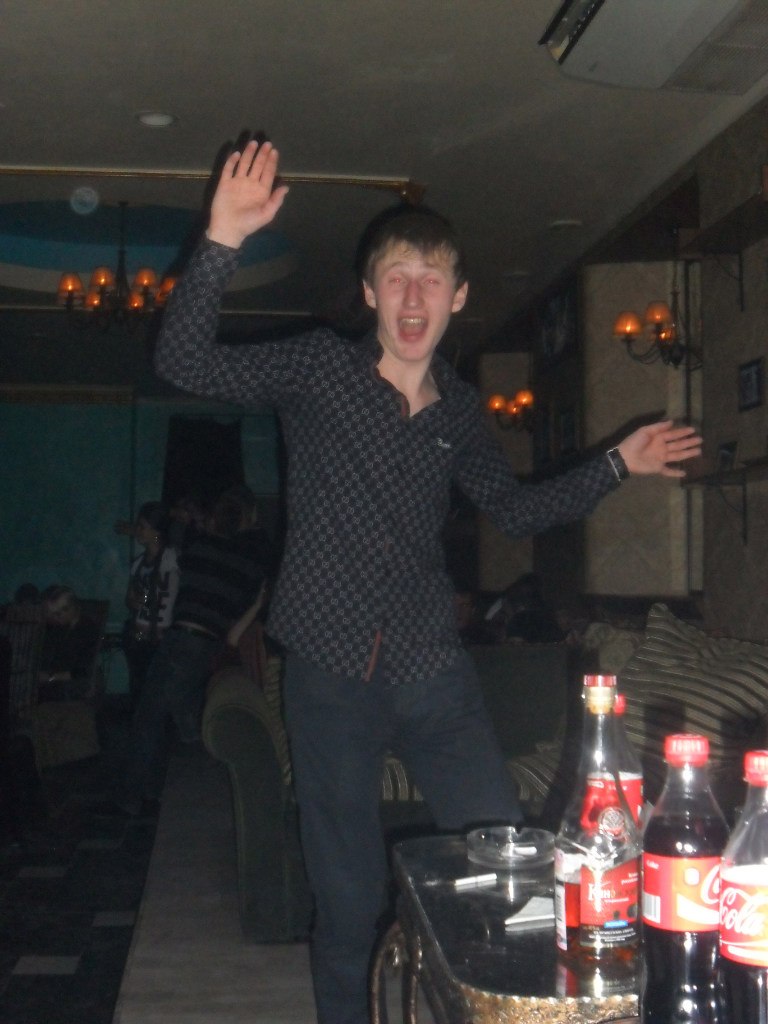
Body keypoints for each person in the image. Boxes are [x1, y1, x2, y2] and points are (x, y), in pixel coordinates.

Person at [153, 138, 702, 1024]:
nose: (414, 298)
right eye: (397, 278)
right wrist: (220, 240)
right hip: (329, 672)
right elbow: (184, 363)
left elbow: (514, 511)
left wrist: (617, 463)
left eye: (432, 280)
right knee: (346, 900)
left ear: (460, 297)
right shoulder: (318, 368)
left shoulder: (460, 411)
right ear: (370, 294)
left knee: (510, 867)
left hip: (431, 669)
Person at [100, 485, 266, 818]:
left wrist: (169, 519)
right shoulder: (249, 564)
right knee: (165, 712)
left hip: (177, 638)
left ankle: (132, 797)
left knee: (150, 717)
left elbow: (170, 533)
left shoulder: (196, 546)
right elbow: (246, 605)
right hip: (191, 641)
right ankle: (153, 791)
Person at [122, 502, 179, 709]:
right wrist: (133, 601)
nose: (137, 530)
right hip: (138, 637)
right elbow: (129, 598)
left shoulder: (173, 558)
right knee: (138, 688)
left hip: (161, 640)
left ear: (157, 530)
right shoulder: (138, 563)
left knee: (156, 694)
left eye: (142, 526)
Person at [37, 586, 101, 701]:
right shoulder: (58, 628)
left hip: (74, 684)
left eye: (58, 614)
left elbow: (82, 671)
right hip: (57, 680)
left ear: (71, 609)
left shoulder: (88, 630)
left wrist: (50, 677)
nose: (54, 618)